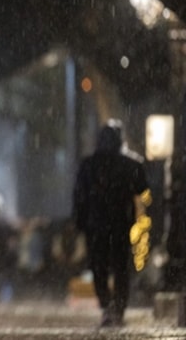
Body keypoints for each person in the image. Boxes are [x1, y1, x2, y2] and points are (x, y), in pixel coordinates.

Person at [73, 120, 148, 327]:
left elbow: (79, 196)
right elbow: (142, 187)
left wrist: (80, 221)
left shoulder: (89, 165)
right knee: (120, 267)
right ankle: (118, 308)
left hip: (96, 225)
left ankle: (107, 305)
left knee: (99, 268)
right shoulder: (130, 164)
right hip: (120, 224)